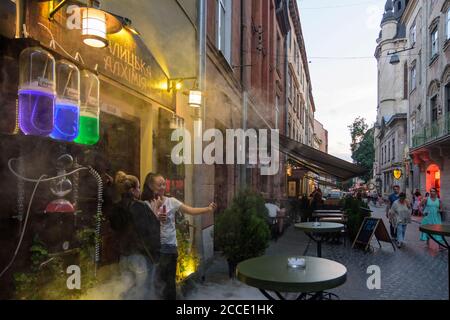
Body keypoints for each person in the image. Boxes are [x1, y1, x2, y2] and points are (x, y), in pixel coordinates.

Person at [142, 173, 217, 300]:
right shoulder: (145, 204)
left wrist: (208, 209)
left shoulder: (171, 201)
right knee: (156, 283)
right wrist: (156, 216)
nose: (163, 187)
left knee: (170, 284)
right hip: (155, 249)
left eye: (164, 184)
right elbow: (143, 227)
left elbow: (190, 210)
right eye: (159, 184)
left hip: (170, 248)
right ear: (150, 186)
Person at [109, 171, 161, 299]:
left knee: (127, 292)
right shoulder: (140, 206)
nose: (139, 191)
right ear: (132, 190)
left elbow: (115, 229)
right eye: (138, 188)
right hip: (141, 258)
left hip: (124, 258)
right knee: (143, 293)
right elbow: (152, 232)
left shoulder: (116, 208)